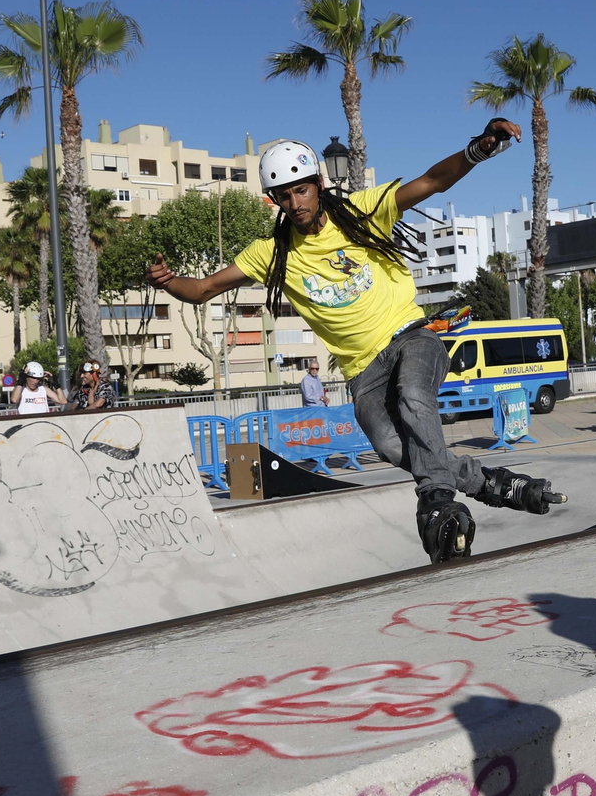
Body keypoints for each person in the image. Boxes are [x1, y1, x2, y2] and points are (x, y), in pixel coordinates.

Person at [146, 120, 563, 562]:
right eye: (284, 196)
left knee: (414, 395)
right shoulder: (271, 253)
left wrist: (477, 150)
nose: (295, 203)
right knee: (388, 445)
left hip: (411, 337)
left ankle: (436, 502)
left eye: (301, 191)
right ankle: (494, 485)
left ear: (318, 184)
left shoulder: (362, 211)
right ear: (275, 201)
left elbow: (432, 182)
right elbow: (204, 289)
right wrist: (170, 281)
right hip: (363, 369)